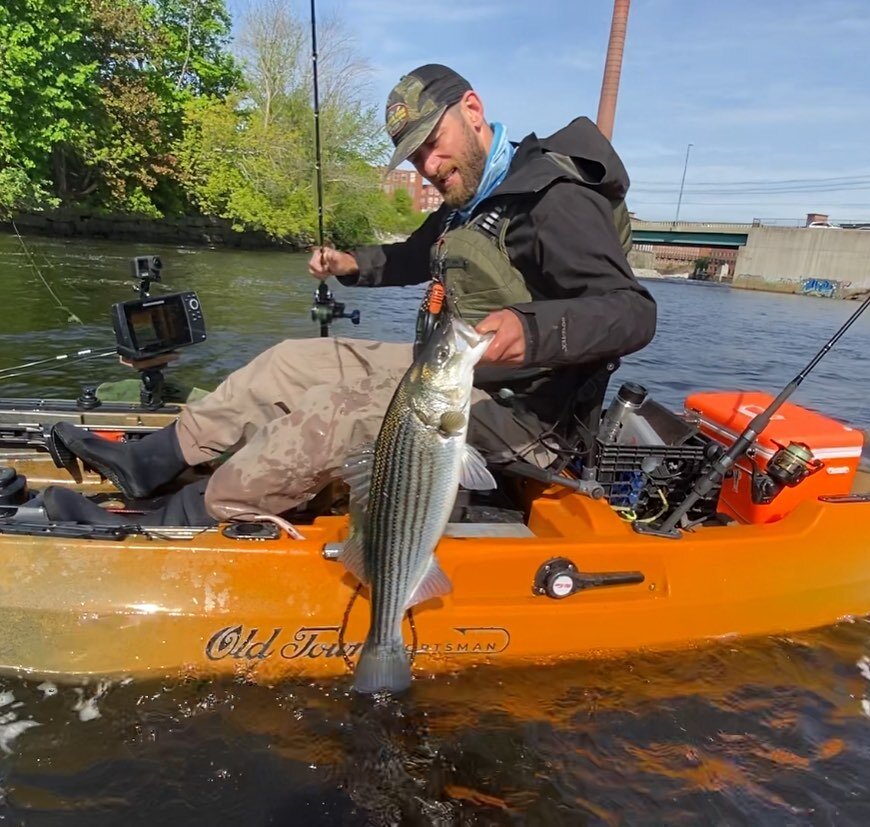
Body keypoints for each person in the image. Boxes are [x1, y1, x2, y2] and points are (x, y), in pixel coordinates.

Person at [43, 63, 656, 527]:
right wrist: (346, 264)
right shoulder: (472, 197)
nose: (427, 164)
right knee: (292, 362)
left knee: (341, 412)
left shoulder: (552, 199)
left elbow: (632, 312)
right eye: (415, 155)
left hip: (525, 415)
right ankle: (150, 460)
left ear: (473, 109)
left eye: (432, 142)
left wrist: (535, 330)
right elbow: (414, 258)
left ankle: (182, 518)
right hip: (453, 375)